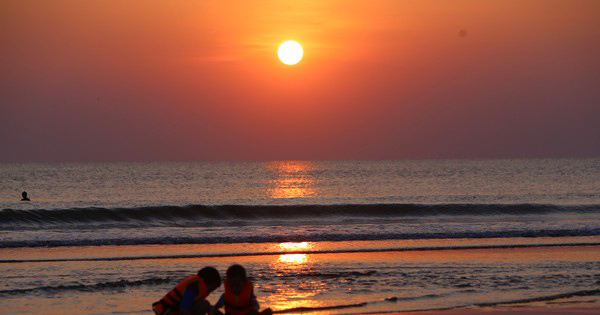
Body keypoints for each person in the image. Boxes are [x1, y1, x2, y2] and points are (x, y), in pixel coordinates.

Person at [153, 266, 222, 315]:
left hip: (172, 310)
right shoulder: (194, 287)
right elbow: (184, 308)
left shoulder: (196, 285)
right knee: (203, 304)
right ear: (210, 283)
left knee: (207, 306)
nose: (209, 292)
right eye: (212, 288)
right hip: (168, 311)